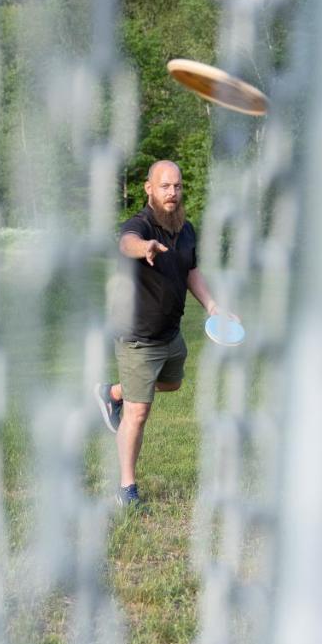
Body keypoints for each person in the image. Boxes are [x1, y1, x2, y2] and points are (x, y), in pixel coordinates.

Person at [96, 160, 234, 507]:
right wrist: (145, 249)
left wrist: (214, 307)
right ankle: (127, 489)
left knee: (172, 384)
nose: (172, 192)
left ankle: (113, 392)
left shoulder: (185, 229)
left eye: (177, 186)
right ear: (149, 189)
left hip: (170, 334)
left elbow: (191, 272)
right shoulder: (139, 225)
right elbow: (126, 242)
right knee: (138, 411)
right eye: (164, 186)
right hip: (138, 336)